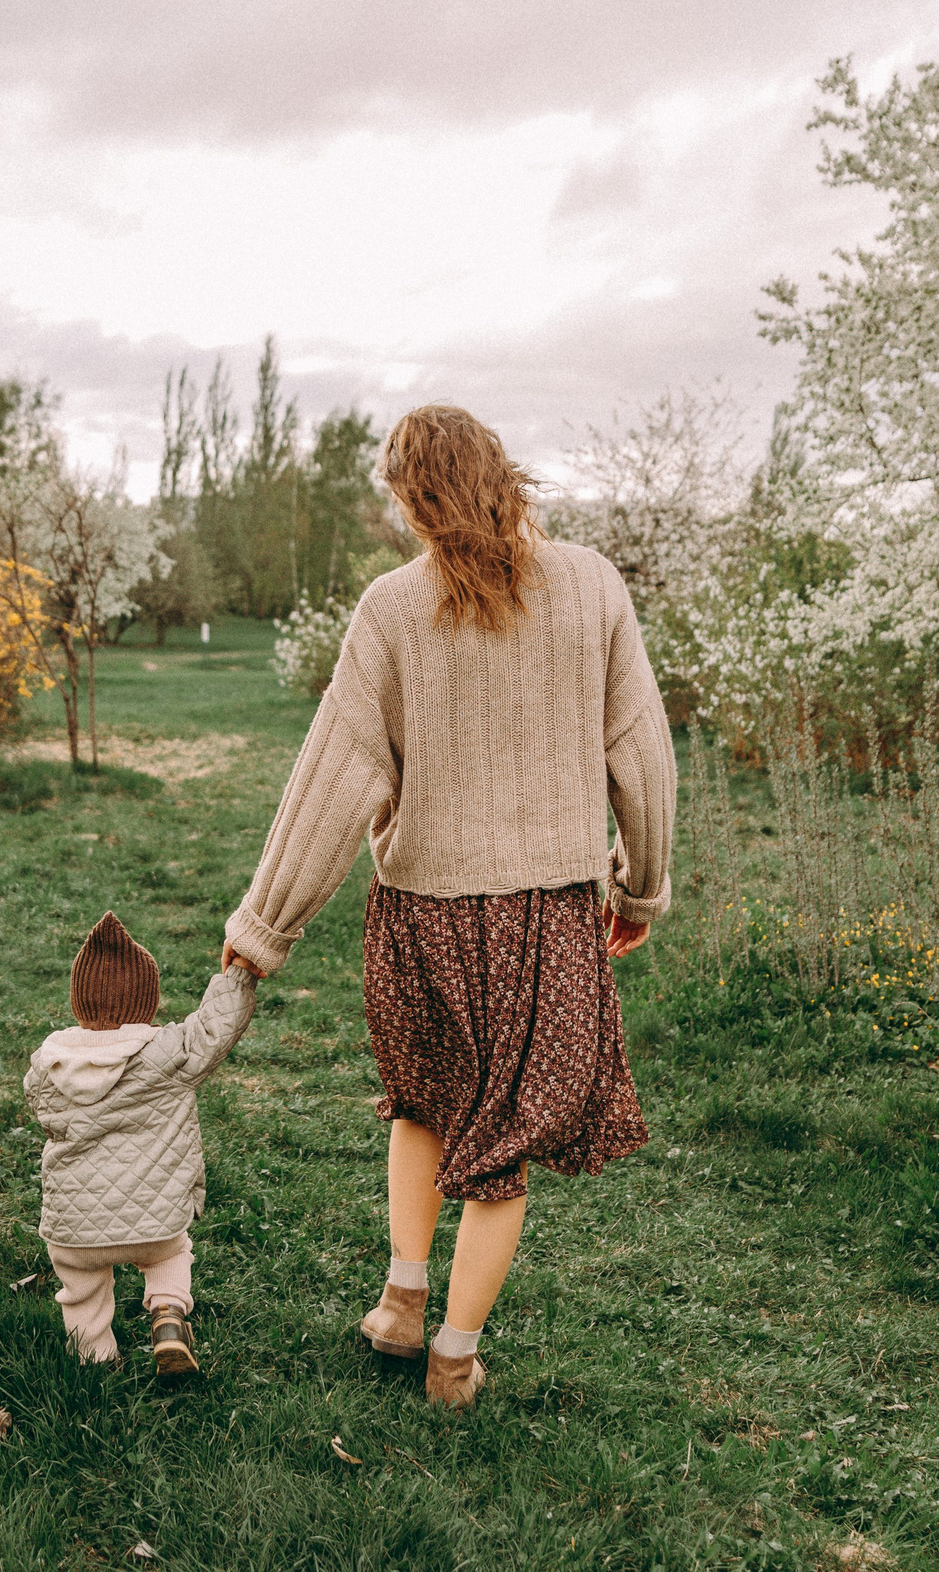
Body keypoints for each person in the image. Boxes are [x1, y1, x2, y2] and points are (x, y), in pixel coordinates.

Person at [221, 404, 674, 1410]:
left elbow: (333, 778)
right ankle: (452, 1357)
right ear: (505, 475)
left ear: (409, 500)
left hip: (421, 913)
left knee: (426, 1104)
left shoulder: (390, 609)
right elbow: (641, 753)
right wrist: (640, 882)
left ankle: (399, 1303)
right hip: (547, 917)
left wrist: (262, 929)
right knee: (502, 1140)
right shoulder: (593, 588)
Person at [25, 911, 257, 1375]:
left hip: (74, 1226)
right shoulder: (169, 1052)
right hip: (156, 1220)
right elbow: (215, 1028)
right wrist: (240, 971)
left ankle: (94, 1358)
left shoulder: (47, 1065)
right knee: (173, 1252)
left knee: (82, 1284)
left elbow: (40, 1110)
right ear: (147, 1002)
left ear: (79, 1005)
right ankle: (168, 1318)